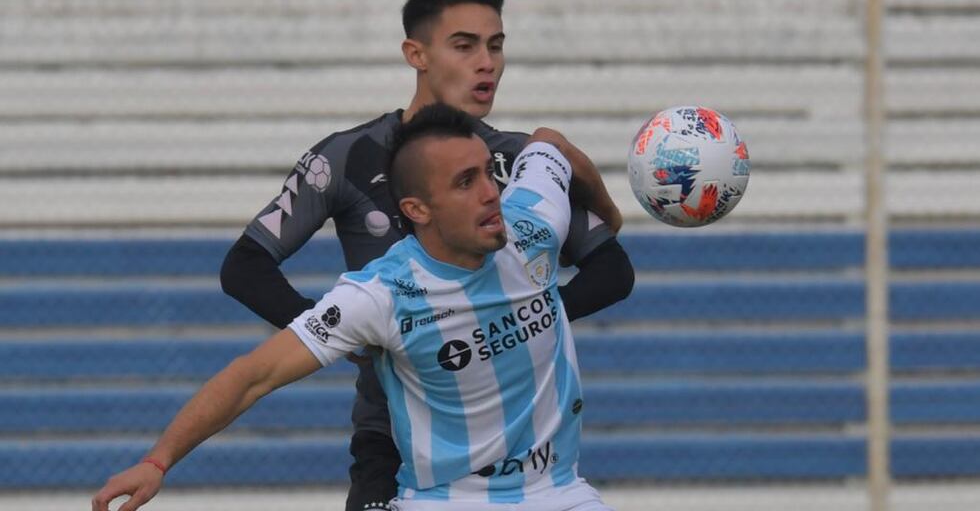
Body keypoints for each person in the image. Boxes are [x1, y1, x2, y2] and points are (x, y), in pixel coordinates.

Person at [219, 0, 634, 510]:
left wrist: (506, 321)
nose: (487, 63)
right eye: (464, 46)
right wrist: (341, 336)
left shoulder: (515, 161)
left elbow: (613, 270)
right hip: (388, 440)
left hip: (515, 451)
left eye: (496, 45)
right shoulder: (346, 157)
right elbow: (245, 265)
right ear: (416, 54)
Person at [93, 103, 618, 511]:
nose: (490, 193)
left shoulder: (531, 226)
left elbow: (549, 144)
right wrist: (156, 462)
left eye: (487, 174)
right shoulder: (381, 295)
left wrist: (609, 215)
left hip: (560, 491)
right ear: (416, 209)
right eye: (465, 182)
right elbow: (254, 375)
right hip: (447, 500)